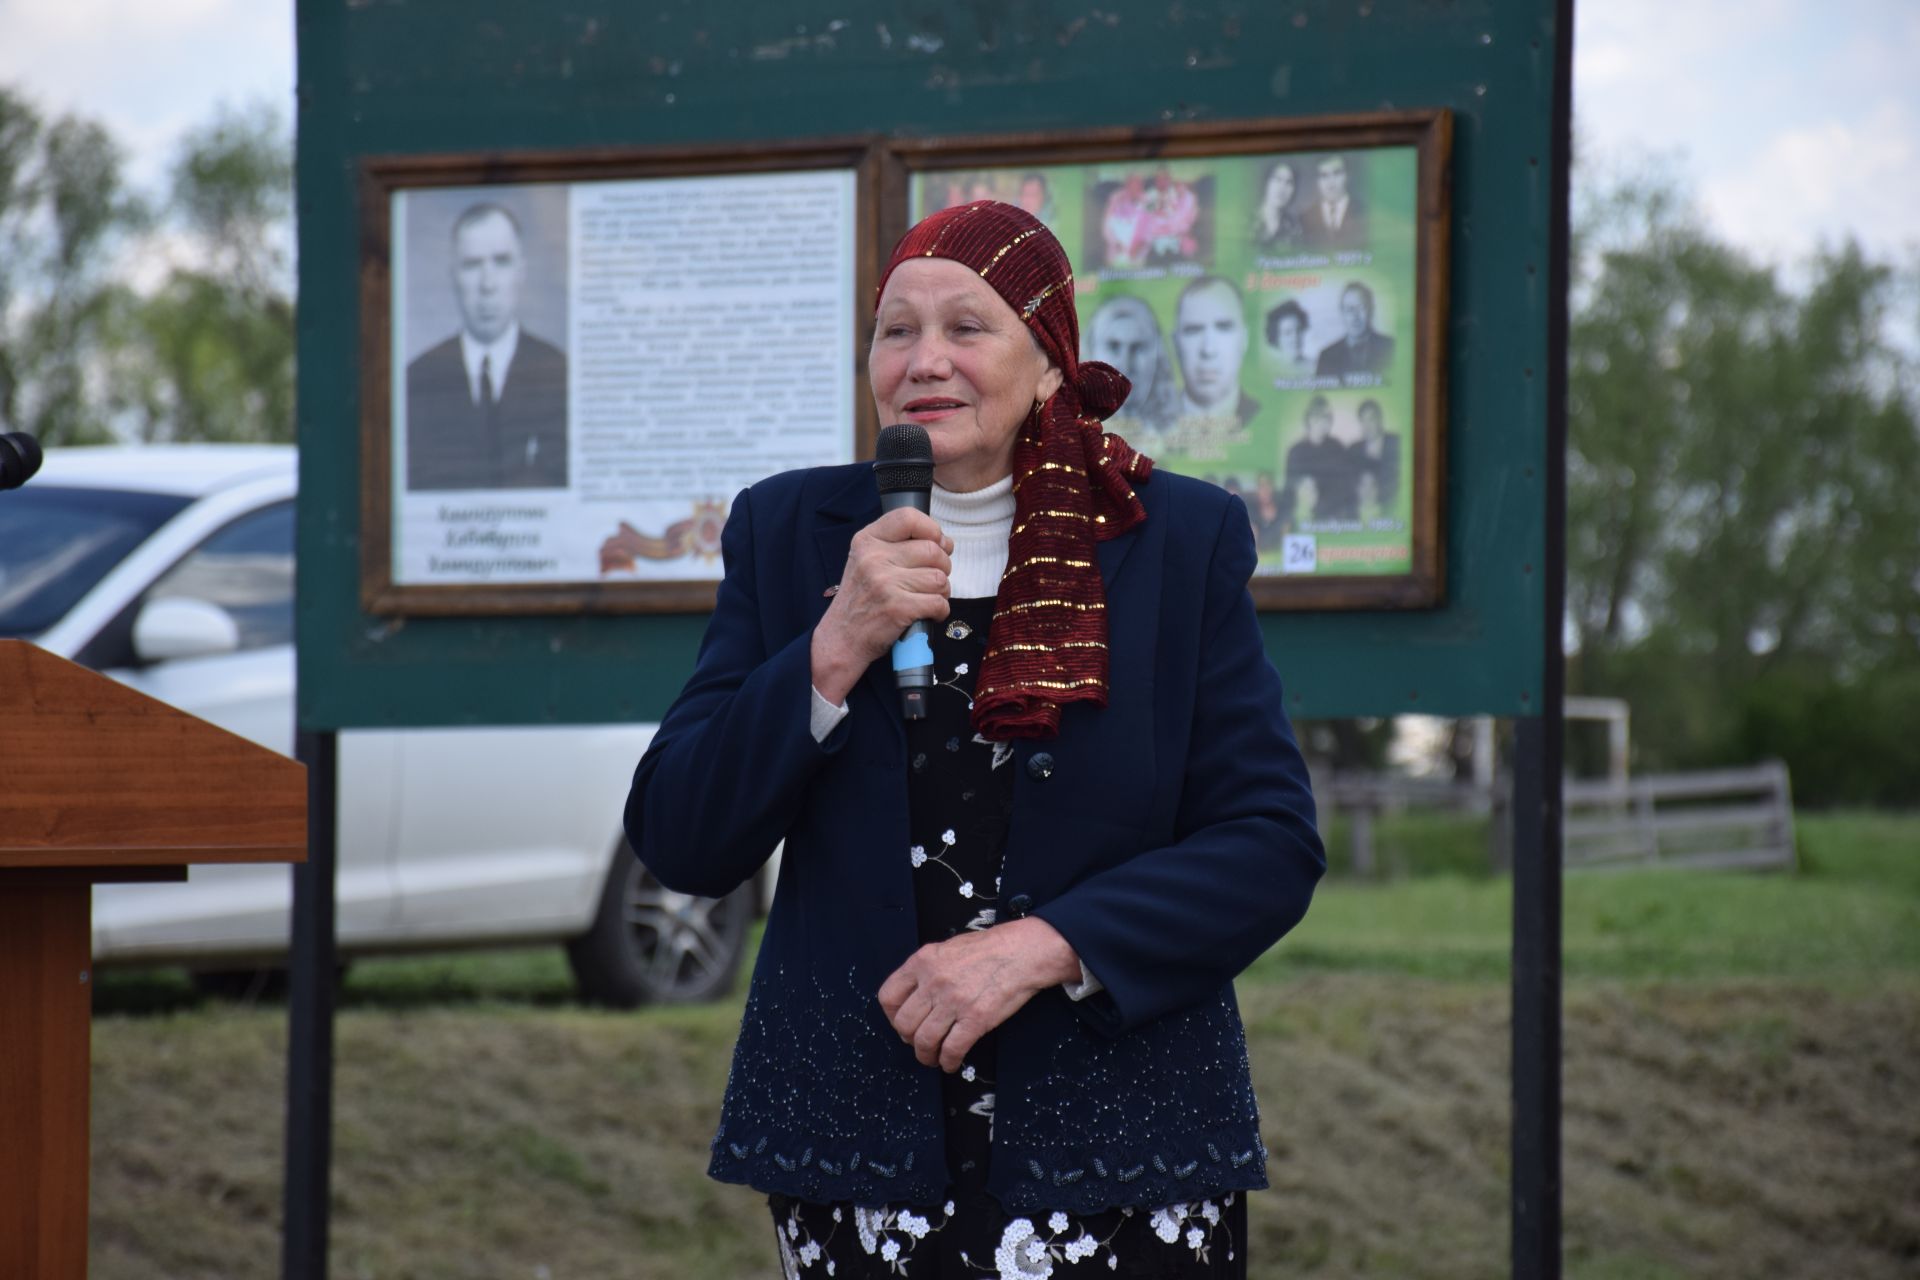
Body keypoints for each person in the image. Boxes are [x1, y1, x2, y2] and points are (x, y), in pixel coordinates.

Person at [625, 200, 1323, 1278]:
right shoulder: (789, 535)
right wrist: (833, 642)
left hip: (1123, 1141)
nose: (923, 359)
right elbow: (682, 836)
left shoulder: (1174, 540)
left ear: (1049, 363)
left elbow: (1269, 842)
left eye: (966, 326)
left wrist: (1042, 948)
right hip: (861, 1147)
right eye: (895, 330)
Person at [405, 203, 568, 491]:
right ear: (453, 275)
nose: (487, 284)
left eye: (501, 262)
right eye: (472, 265)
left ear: (521, 272)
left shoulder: (559, 372)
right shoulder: (418, 377)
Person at [1082, 294, 1178, 447]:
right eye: (1113, 346)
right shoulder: (1070, 437)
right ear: (1090, 350)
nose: (1126, 365)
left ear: (1157, 356)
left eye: (1138, 347)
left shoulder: (1176, 429)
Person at [1171, 276, 1260, 438]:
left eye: (1224, 328)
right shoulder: (1151, 424)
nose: (1208, 350)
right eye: (1193, 330)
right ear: (1176, 342)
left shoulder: (1263, 418)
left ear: (1244, 338)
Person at [1283, 394, 1356, 521]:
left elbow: (1347, 488)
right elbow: (1289, 492)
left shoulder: (1337, 448)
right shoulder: (1295, 452)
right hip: (1304, 518)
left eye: (1327, 417)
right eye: (1318, 416)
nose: (1323, 422)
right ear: (1309, 419)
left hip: (1334, 517)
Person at [1314, 281, 1396, 381]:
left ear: (1371, 309)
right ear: (1342, 313)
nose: (1355, 316)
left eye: (1361, 307)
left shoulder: (1390, 347)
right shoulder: (1326, 356)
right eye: (1349, 309)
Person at [1299, 153, 1365, 250]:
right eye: (1324, 176)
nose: (1331, 182)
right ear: (1317, 181)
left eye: (1337, 173)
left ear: (1347, 176)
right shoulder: (1304, 217)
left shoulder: (1364, 212)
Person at [1349, 397, 1401, 507]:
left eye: (1371, 419)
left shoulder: (1396, 443)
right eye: (1363, 420)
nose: (1367, 426)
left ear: (1380, 419)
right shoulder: (1353, 449)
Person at [1253, 159, 1303, 249]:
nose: (1282, 188)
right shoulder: (1245, 220)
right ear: (1266, 183)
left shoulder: (1295, 227)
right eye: (1277, 179)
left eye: (1289, 182)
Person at [1262, 298, 1315, 379]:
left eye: (1299, 330)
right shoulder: (1267, 371)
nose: (1295, 337)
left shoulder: (1316, 367)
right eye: (1287, 333)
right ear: (1276, 337)